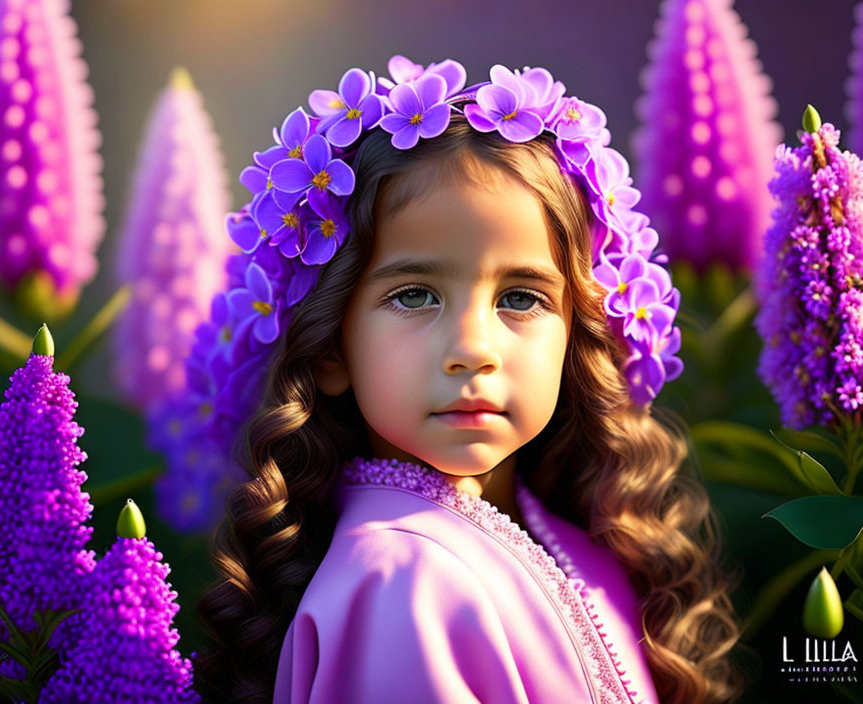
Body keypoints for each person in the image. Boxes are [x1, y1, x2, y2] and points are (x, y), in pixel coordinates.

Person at [195, 57, 745, 704]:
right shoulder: (398, 585)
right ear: (330, 349)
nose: (472, 349)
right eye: (414, 296)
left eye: (521, 298)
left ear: (578, 331)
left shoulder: (576, 539)